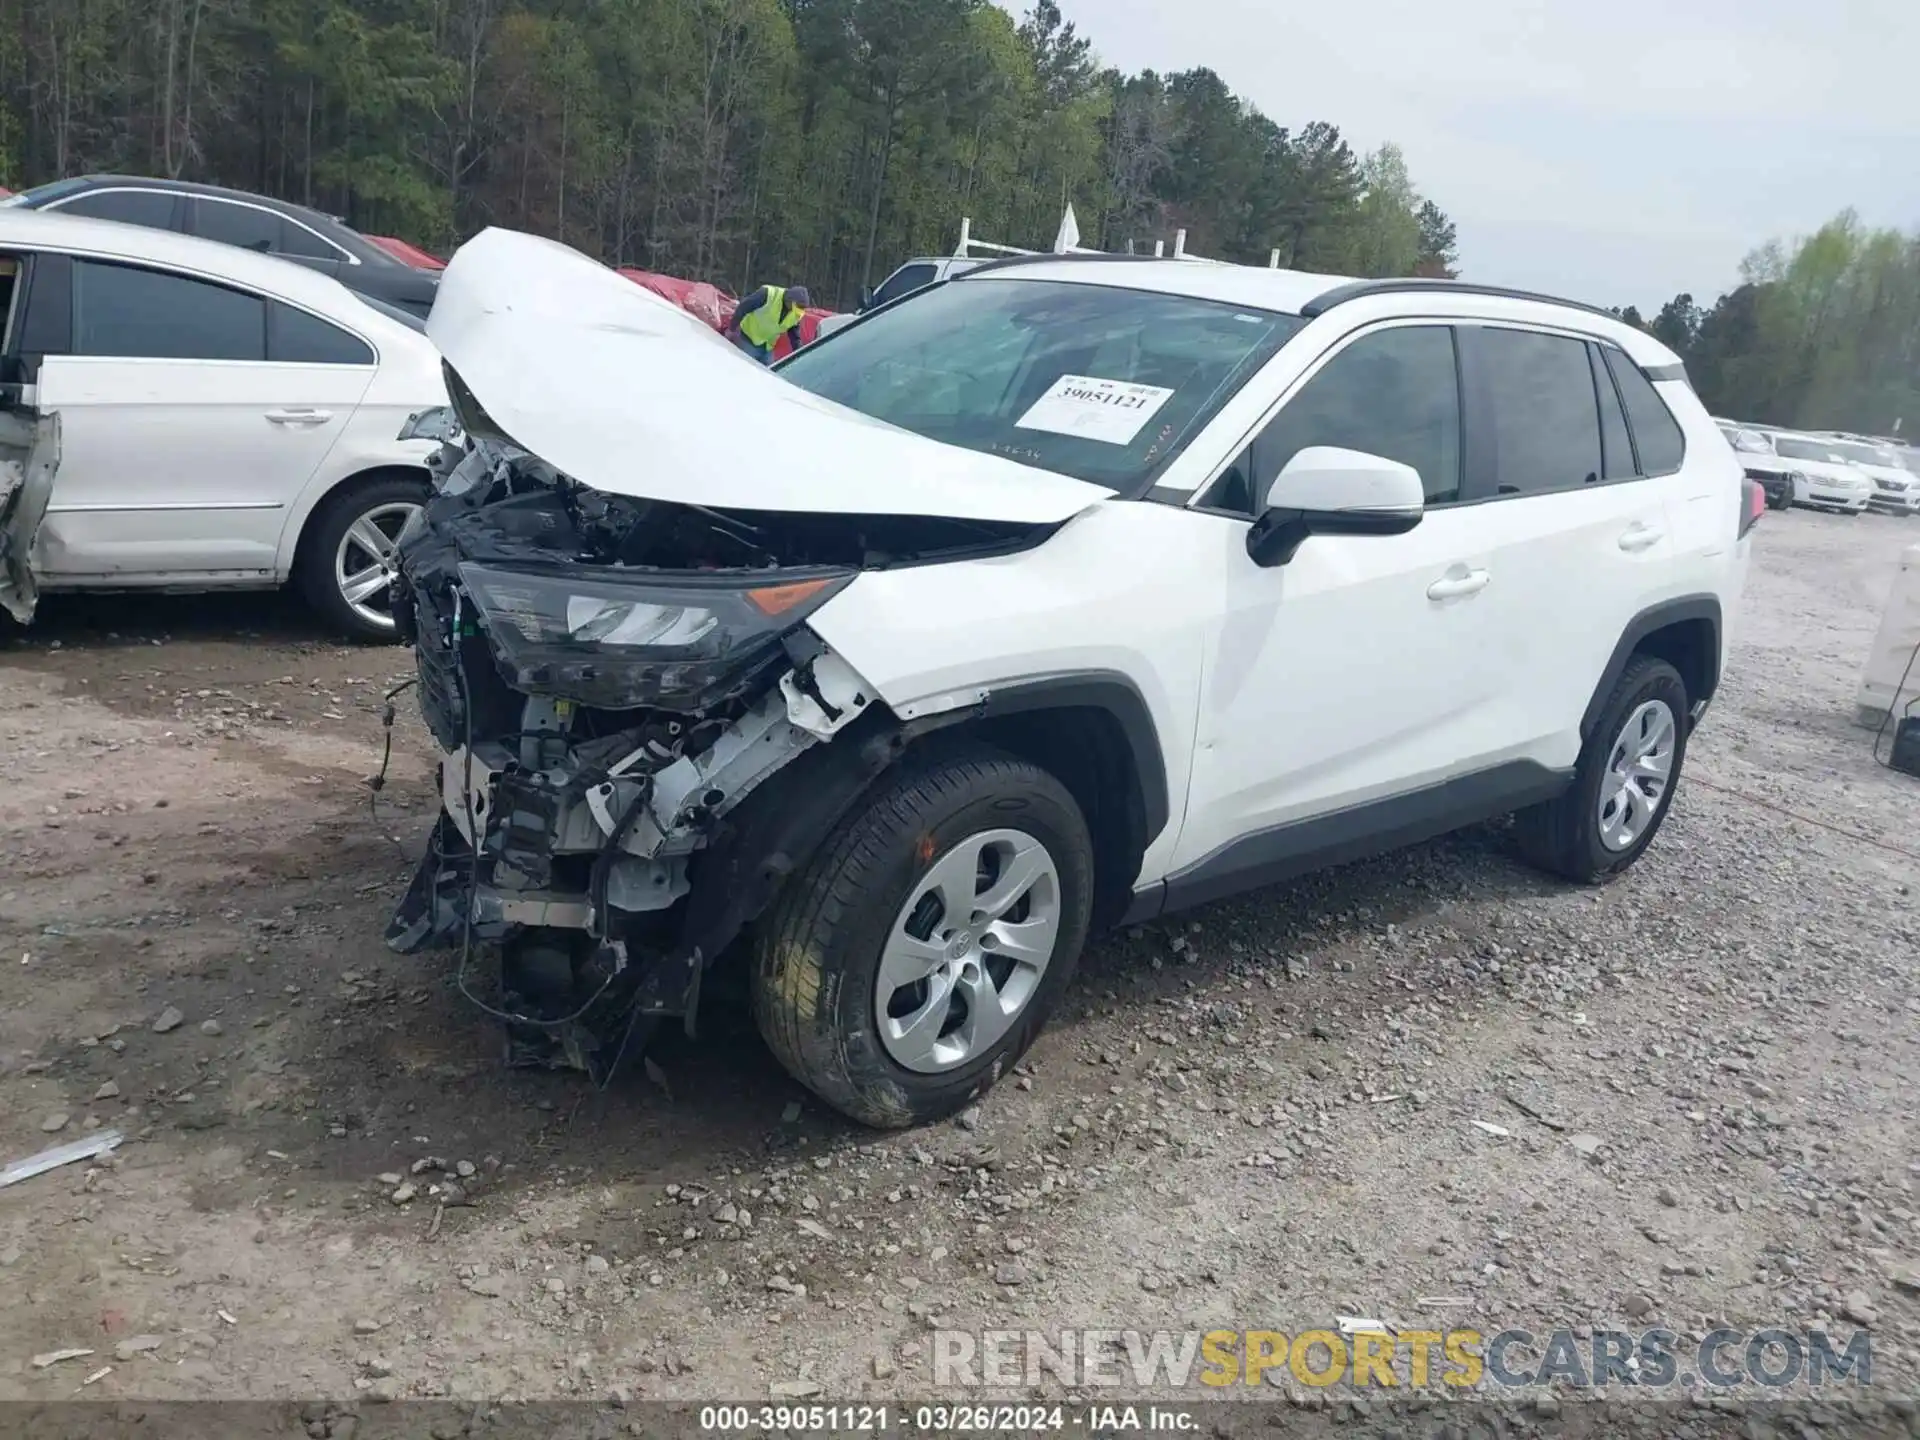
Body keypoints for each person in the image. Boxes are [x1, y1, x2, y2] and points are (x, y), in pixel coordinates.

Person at [729, 284, 810, 365]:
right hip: (748, 339)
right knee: (743, 367)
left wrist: (800, 354)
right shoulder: (767, 294)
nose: (797, 312)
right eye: (796, 308)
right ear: (790, 300)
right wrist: (731, 329)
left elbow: (795, 336)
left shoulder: (797, 314)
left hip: (767, 347)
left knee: (767, 373)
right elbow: (743, 307)